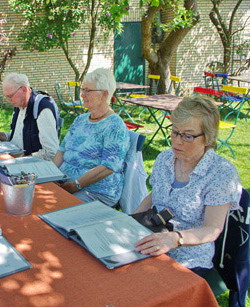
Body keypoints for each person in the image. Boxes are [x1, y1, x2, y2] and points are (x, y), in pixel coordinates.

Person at [133, 96, 242, 277]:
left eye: (188, 136)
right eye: (175, 132)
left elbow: (212, 229)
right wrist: (130, 221)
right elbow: (154, 195)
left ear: (208, 138)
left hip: (188, 262)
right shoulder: (165, 159)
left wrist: (175, 239)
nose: (177, 141)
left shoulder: (221, 173)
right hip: (152, 244)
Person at [53, 68, 130, 206]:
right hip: (65, 183)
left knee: (55, 206)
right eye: (83, 89)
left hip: (96, 191)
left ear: (104, 94)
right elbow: (62, 150)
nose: (82, 95)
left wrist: (75, 185)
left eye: (87, 91)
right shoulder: (80, 120)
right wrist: (50, 175)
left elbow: (108, 167)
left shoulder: (115, 126)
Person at [0, 73, 59, 160]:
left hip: (33, 166)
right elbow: (16, 138)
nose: (8, 100)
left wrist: (22, 159)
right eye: (6, 97)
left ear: (24, 90)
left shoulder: (42, 109)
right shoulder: (19, 105)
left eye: (10, 96)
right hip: (14, 157)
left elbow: (51, 152)